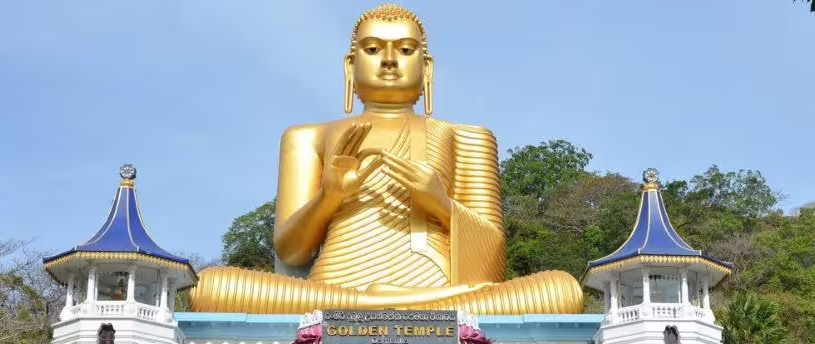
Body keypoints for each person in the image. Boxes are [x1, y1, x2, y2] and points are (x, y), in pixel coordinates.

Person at [190, 4, 583, 315]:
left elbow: (492, 265)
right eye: (374, 48)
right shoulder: (307, 137)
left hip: (439, 290)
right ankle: (379, 309)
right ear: (350, 65)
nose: (390, 60)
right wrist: (328, 197)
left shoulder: (466, 136)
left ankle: (375, 310)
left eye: (406, 50)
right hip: (337, 293)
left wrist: (443, 207)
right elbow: (291, 253)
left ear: (426, 68)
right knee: (210, 286)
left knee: (562, 291)